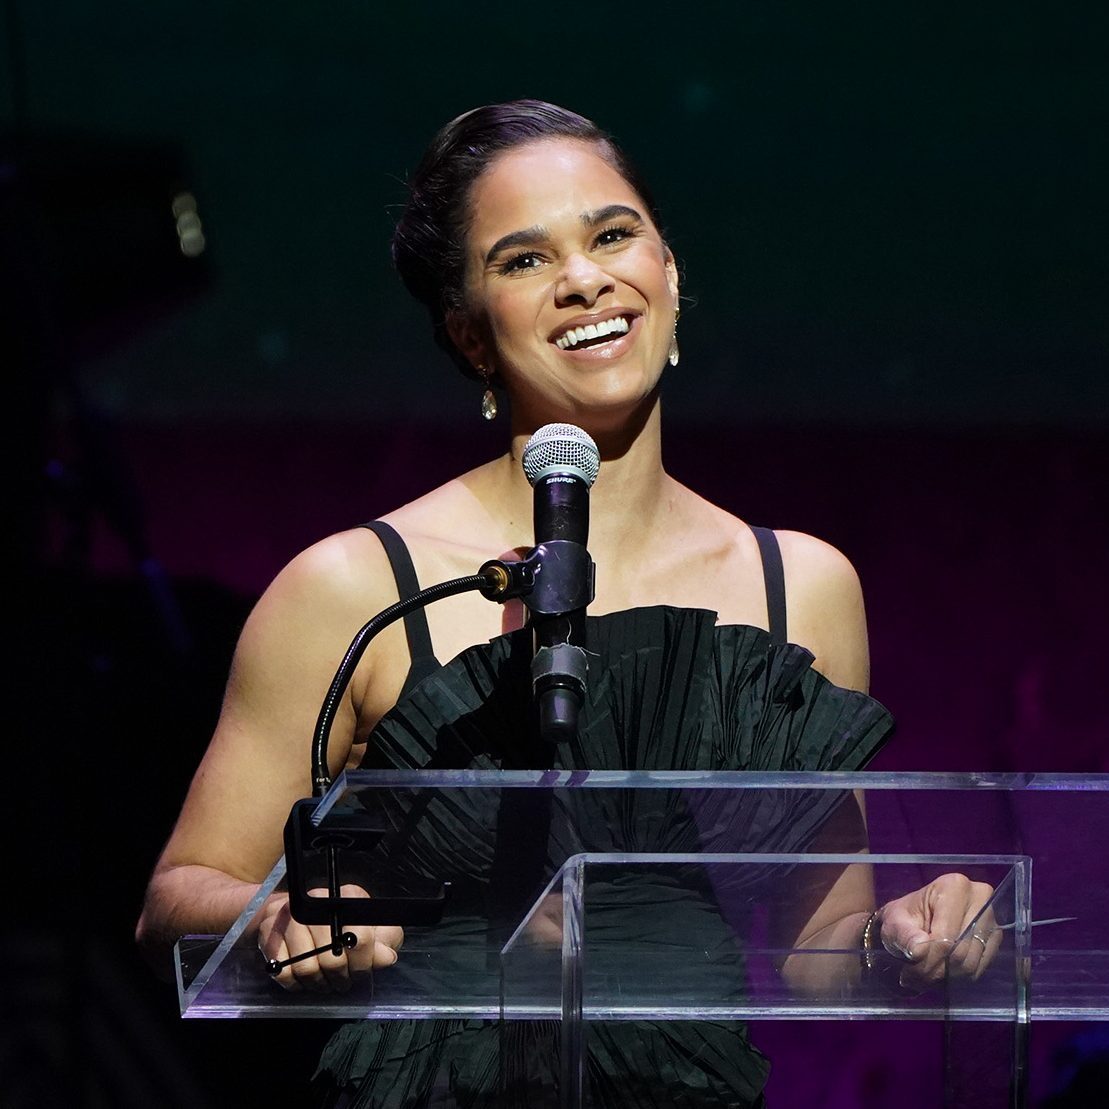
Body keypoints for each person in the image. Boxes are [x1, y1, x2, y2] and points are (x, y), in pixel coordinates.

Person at [137, 100, 997, 1107]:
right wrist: (280, 914)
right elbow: (174, 899)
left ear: (669, 271)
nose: (583, 278)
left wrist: (909, 938)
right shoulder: (354, 584)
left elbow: (816, 946)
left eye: (611, 234)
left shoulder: (798, 585)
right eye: (521, 259)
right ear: (468, 334)